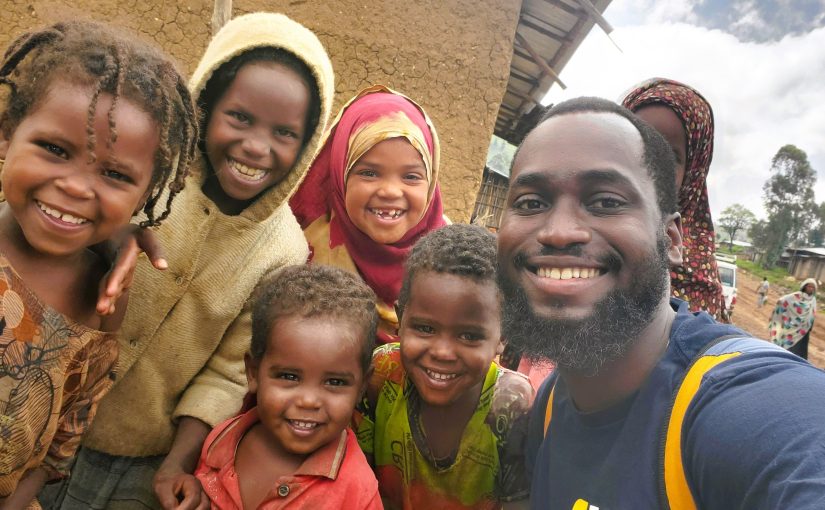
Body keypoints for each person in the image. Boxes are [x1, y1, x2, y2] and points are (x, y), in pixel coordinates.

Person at [41, 13, 335, 509]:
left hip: (145, 459)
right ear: (203, 105)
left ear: (308, 144)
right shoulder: (143, 173)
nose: (256, 146)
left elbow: (227, 370)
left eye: (285, 132)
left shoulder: (283, 250)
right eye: (239, 117)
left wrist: (177, 463)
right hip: (43, 415)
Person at [496, 96, 825, 508]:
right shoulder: (549, 407)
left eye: (606, 201)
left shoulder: (745, 410)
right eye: (531, 203)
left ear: (671, 239)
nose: (559, 232)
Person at [0, 19, 197, 508]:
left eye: (113, 174)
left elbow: (60, 442)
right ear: (6, 137)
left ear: (145, 193)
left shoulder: (104, 296)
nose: (77, 186)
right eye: (54, 149)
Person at [355, 224, 534, 509]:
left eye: (469, 336)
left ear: (503, 337)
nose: (442, 352)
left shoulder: (512, 406)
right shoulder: (383, 374)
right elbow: (354, 480)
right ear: (400, 319)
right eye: (425, 328)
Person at [192, 265, 381, 509]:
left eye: (335, 382)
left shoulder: (357, 493)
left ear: (362, 386)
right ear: (253, 372)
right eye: (289, 377)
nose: (308, 401)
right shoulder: (222, 439)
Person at [290, 85, 447, 344]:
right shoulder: (299, 254)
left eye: (411, 176)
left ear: (430, 185)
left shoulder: (451, 264)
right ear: (340, 175)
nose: (389, 191)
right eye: (369, 173)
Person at [622, 78, 727, 320]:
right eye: (635, 144)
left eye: (668, 156)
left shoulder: (696, 280)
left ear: (693, 173)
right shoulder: (573, 222)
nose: (645, 166)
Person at [769, 278, 817, 359]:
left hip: (804, 329)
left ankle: (798, 359)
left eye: (813, 287)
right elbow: (783, 300)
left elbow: (812, 314)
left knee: (801, 348)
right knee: (790, 346)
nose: (811, 289)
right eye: (809, 286)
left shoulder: (813, 300)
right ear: (805, 286)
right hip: (794, 327)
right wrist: (780, 303)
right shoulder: (797, 295)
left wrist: (810, 326)